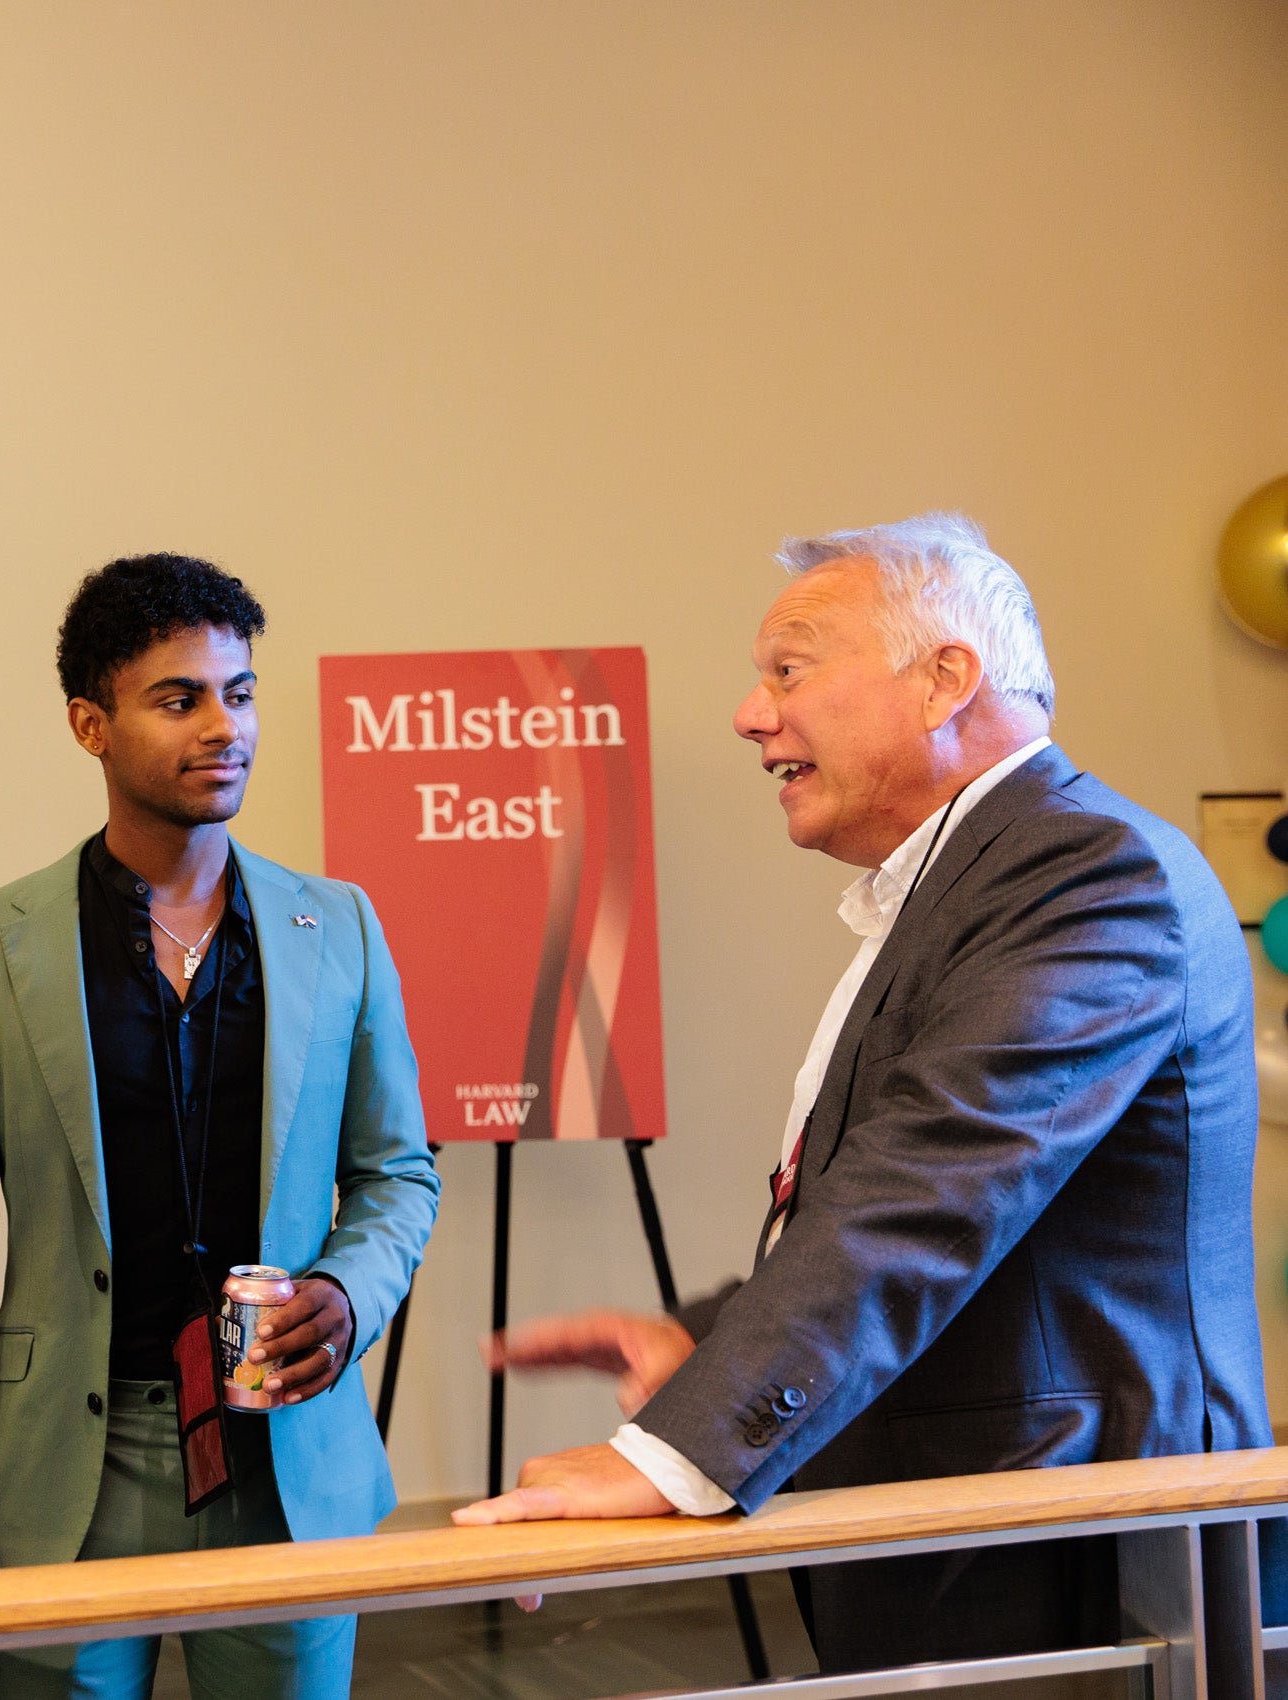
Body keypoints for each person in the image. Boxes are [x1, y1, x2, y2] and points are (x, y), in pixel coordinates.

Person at [456, 514, 1273, 1667]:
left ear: (946, 678)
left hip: (1082, 1572)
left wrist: (670, 1451)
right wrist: (705, 1336)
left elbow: (926, 1188)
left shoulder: (1088, 871)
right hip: (975, 1539)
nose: (750, 713)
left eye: (788, 670)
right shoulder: (981, 874)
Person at [0, 555, 439, 1700]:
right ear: (91, 722)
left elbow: (398, 1172)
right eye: (179, 699)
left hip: (282, 1460)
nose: (224, 726)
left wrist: (349, 1288)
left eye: (240, 692)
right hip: (68, 1473)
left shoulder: (340, 925)